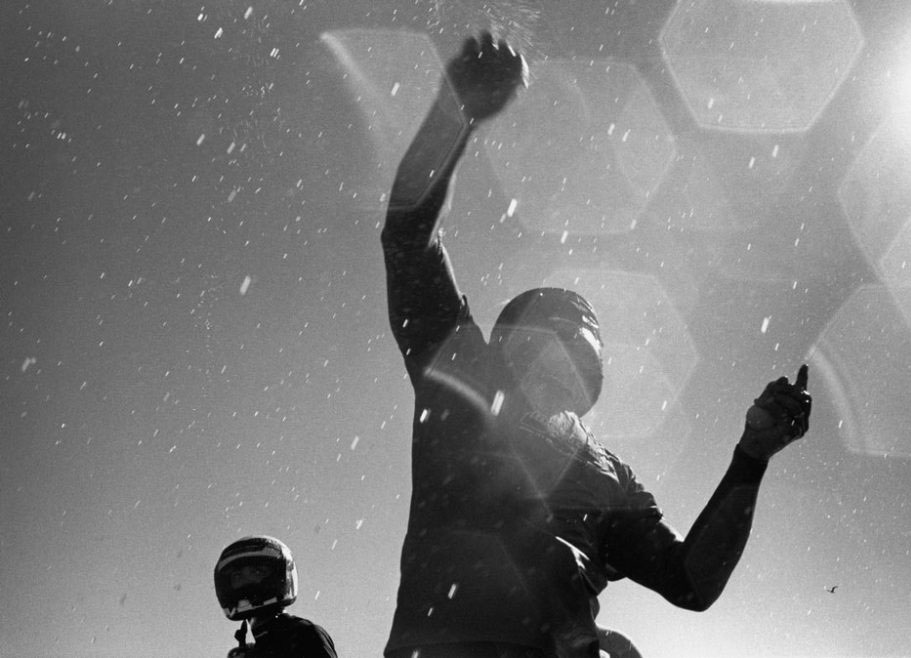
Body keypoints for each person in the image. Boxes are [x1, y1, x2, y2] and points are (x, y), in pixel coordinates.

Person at [380, 32, 812, 658]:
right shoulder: (466, 382)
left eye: (572, 356)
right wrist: (456, 113)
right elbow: (407, 234)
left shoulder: (609, 475)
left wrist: (753, 455)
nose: (555, 364)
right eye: (540, 347)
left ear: (593, 374)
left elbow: (690, 583)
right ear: (506, 349)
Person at [214, 535, 339, 658]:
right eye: (237, 576)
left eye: (257, 572)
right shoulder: (255, 648)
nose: (248, 582)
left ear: (277, 577)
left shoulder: (304, 635)